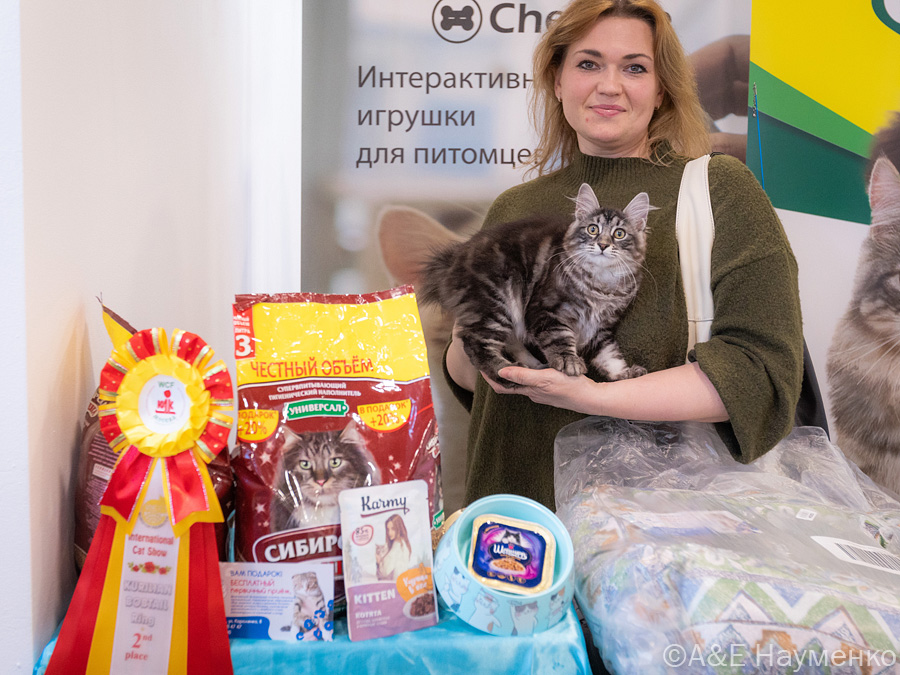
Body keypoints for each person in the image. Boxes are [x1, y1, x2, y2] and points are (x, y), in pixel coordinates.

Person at [444, 0, 804, 511]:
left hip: (650, 532)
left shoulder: (720, 190)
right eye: (588, 63)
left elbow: (761, 372)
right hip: (508, 519)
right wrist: (478, 330)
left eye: (634, 68)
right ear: (558, 80)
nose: (609, 85)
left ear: (661, 89)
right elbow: (469, 379)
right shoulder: (514, 206)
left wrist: (594, 396)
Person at [375, 514, 413, 580]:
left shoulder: (398, 544)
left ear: (399, 528)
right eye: (388, 529)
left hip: (397, 583)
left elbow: (385, 571)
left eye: (393, 529)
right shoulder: (403, 543)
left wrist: (379, 562)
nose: (389, 532)